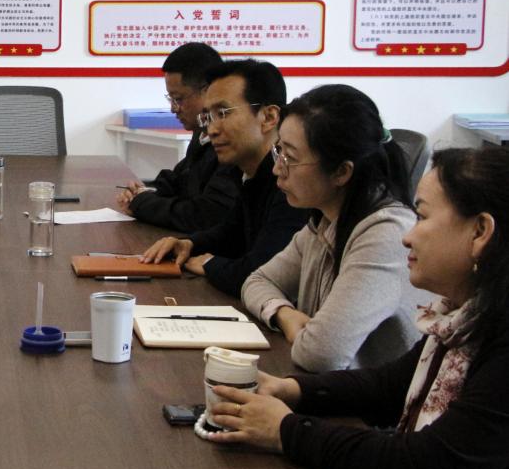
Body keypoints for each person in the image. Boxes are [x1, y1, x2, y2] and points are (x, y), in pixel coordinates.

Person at [205, 148, 509, 469]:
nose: (408, 237)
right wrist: (291, 389)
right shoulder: (464, 315)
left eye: (423, 216)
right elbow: (389, 386)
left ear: (480, 232)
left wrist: (285, 430)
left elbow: (426, 464)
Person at [241, 85, 427, 371]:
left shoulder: (386, 233)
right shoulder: (325, 219)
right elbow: (257, 281)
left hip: (369, 399)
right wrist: (284, 314)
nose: (277, 168)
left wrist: (300, 331)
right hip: (330, 388)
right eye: (279, 151)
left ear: (341, 171)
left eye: (290, 157)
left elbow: (321, 353)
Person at [140, 59, 306, 297]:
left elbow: (263, 273)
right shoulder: (246, 170)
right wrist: (188, 244)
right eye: (208, 117)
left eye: (223, 113)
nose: (212, 130)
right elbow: (232, 233)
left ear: (269, 117)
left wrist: (210, 264)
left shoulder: (291, 181)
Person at [116, 42, 239, 233]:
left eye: (178, 99)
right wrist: (143, 191)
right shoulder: (201, 131)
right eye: (171, 99)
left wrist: (142, 203)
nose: (173, 109)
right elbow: (180, 180)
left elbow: (204, 215)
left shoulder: (231, 142)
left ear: (208, 90)